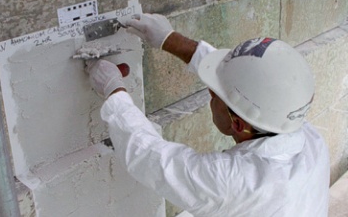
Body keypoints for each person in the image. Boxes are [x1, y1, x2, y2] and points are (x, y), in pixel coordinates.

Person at [85, 13, 330, 216]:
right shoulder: (305, 135)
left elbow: (152, 159)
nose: (210, 93)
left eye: (214, 95)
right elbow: (243, 78)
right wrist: (170, 40)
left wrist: (114, 90)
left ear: (237, 122)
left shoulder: (234, 182)